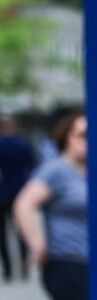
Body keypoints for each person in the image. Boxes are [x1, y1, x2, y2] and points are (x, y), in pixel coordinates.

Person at [15, 110, 88, 299]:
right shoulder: (57, 169)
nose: (86, 140)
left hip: (92, 263)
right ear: (67, 137)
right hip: (67, 263)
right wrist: (38, 246)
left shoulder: (92, 170)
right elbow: (24, 204)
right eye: (81, 135)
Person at [0, 114, 34, 280]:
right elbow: (31, 165)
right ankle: (23, 264)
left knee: (3, 233)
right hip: (20, 190)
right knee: (21, 230)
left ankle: (7, 269)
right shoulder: (23, 144)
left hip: (2, 193)